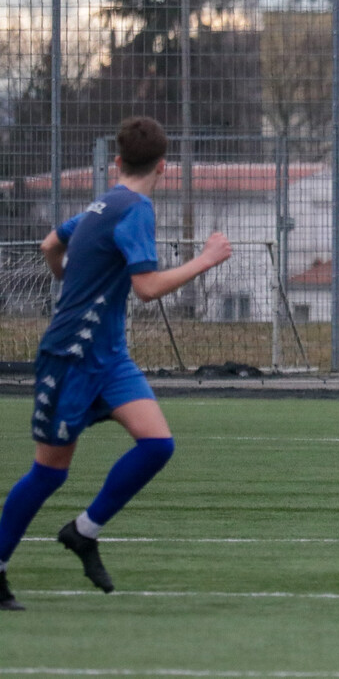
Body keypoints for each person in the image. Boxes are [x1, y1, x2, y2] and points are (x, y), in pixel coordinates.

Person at [0, 116, 232, 611]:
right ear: (164, 167)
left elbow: (50, 245)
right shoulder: (135, 210)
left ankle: (83, 531)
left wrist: (69, 285)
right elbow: (146, 289)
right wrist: (207, 259)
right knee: (48, 474)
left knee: (157, 444)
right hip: (70, 357)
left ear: (117, 162)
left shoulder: (100, 203)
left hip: (108, 356)